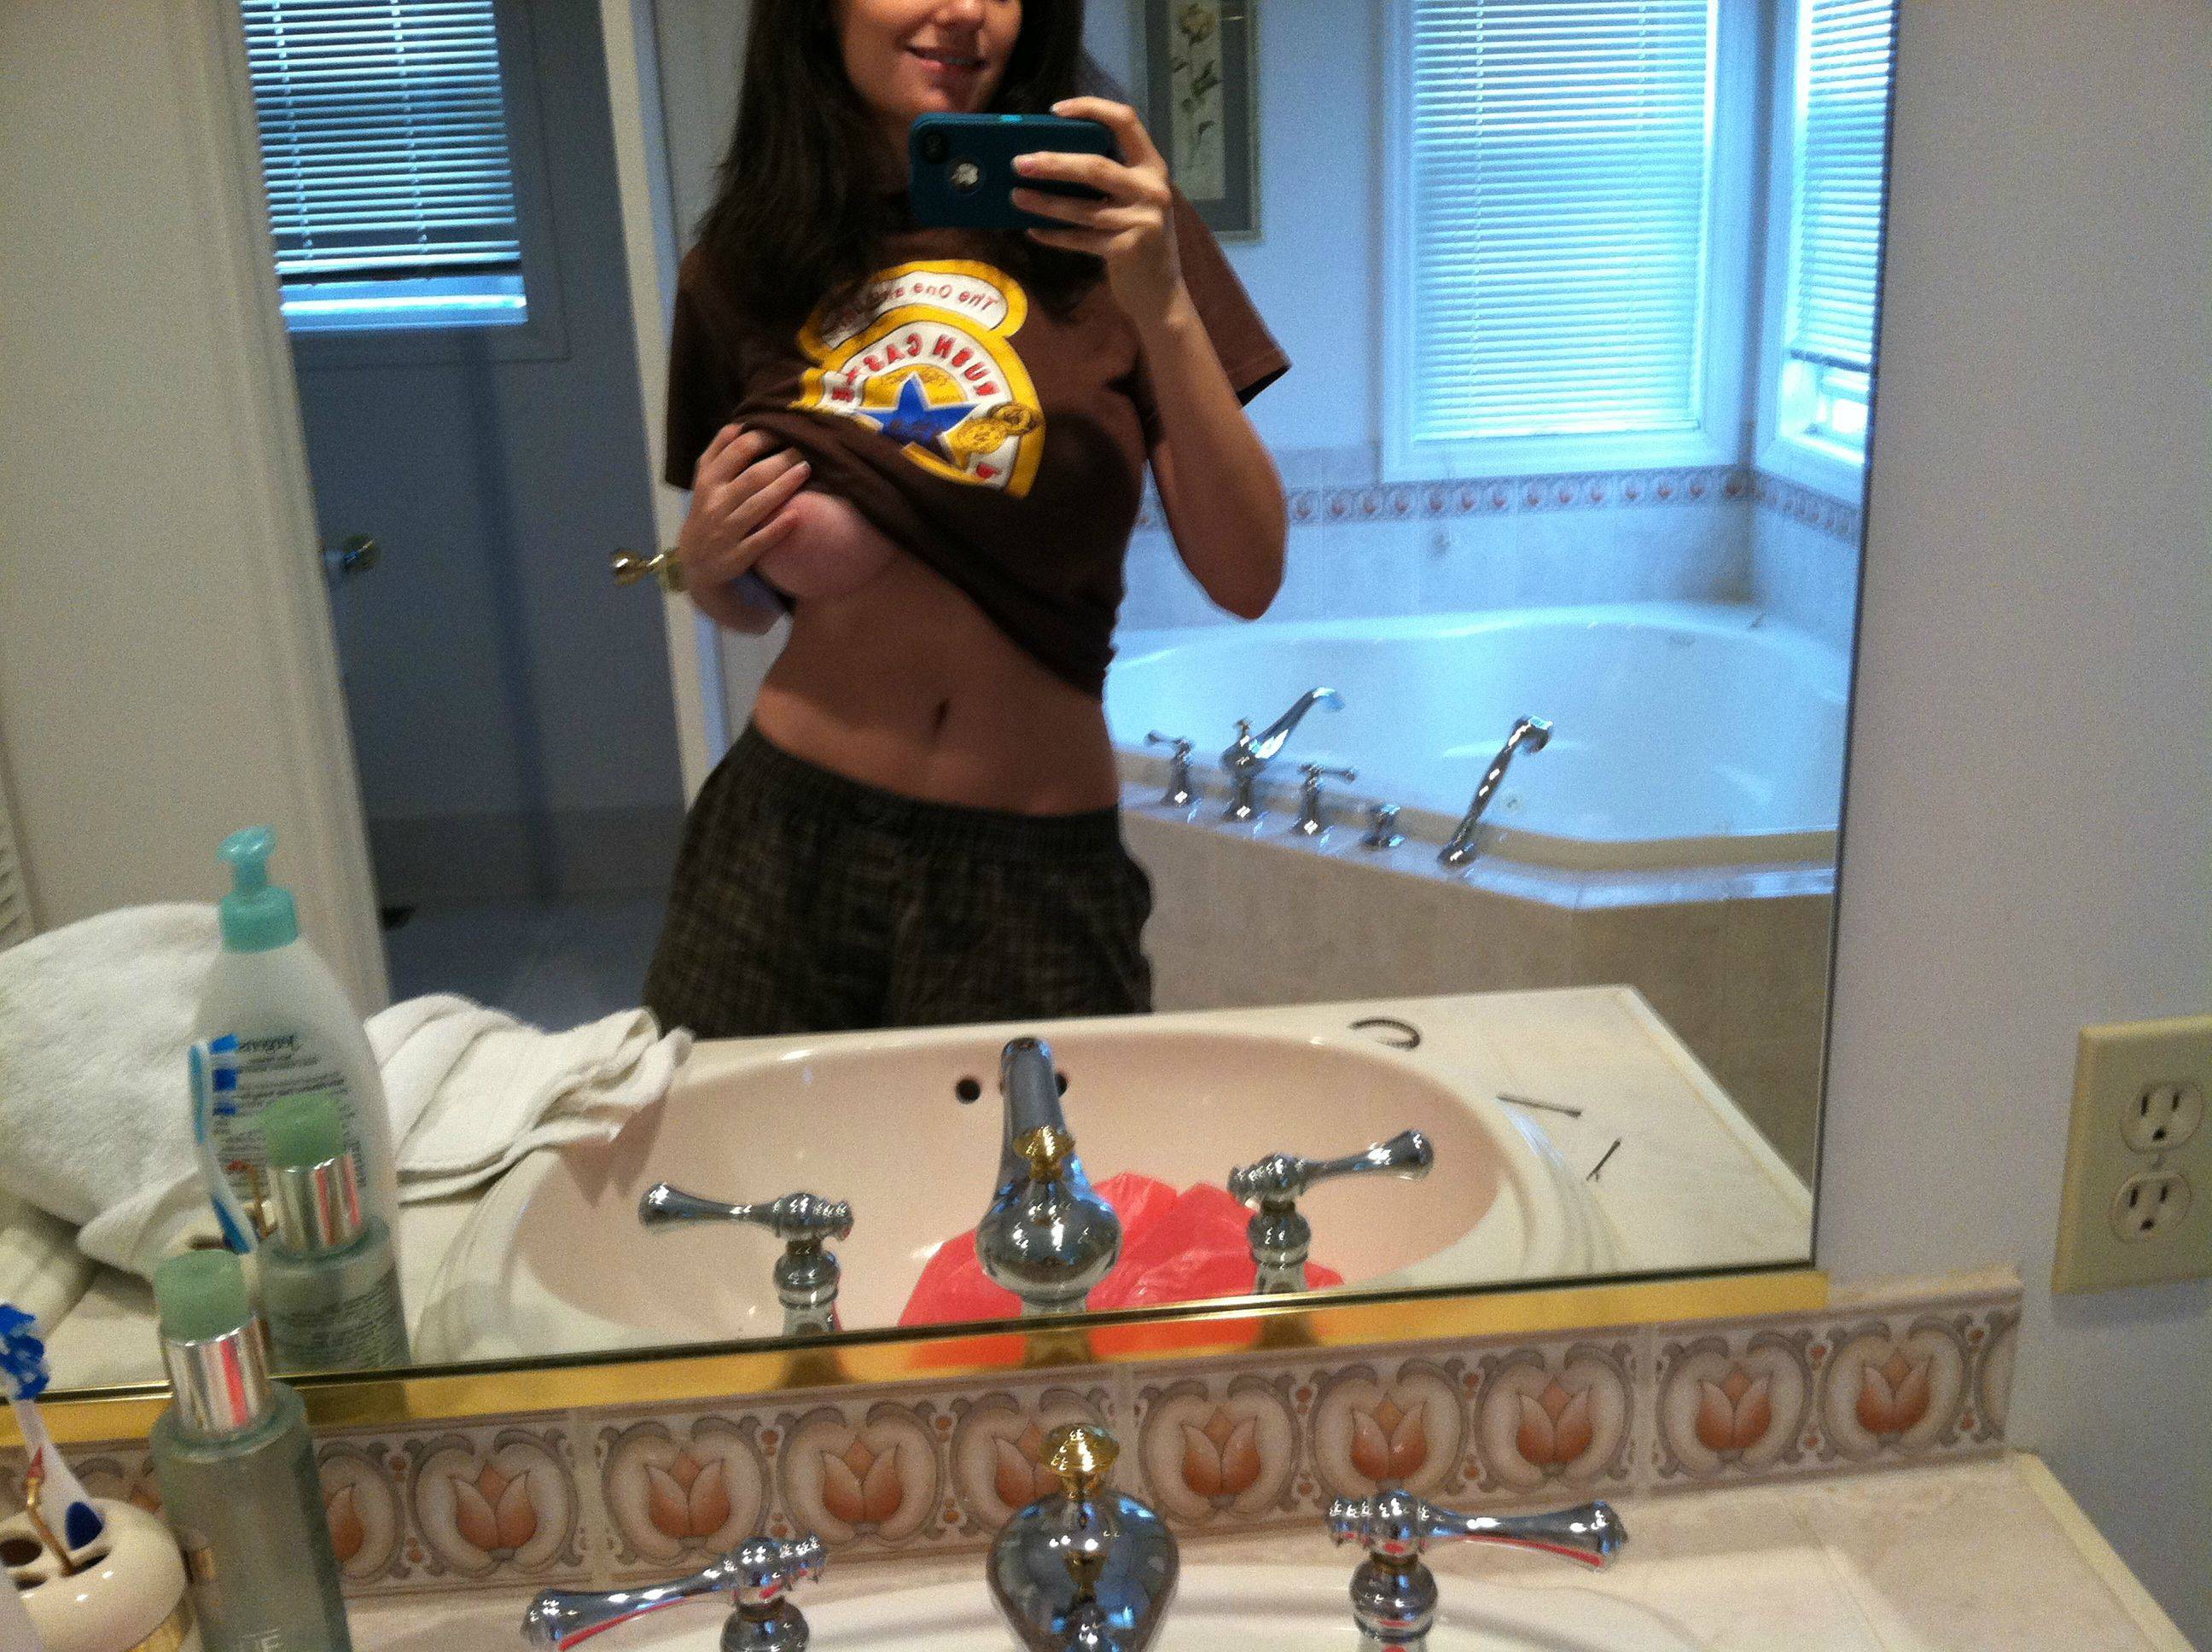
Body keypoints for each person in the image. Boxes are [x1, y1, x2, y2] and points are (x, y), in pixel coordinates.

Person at [643, 0, 1289, 1038]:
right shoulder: (742, 262)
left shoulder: (1118, 231)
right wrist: (708, 565)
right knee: (730, 1143)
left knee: (1041, 1151)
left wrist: (1164, 302)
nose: (964, 12)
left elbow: (1249, 574)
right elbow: (747, 599)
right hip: (782, 840)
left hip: (1033, 868)